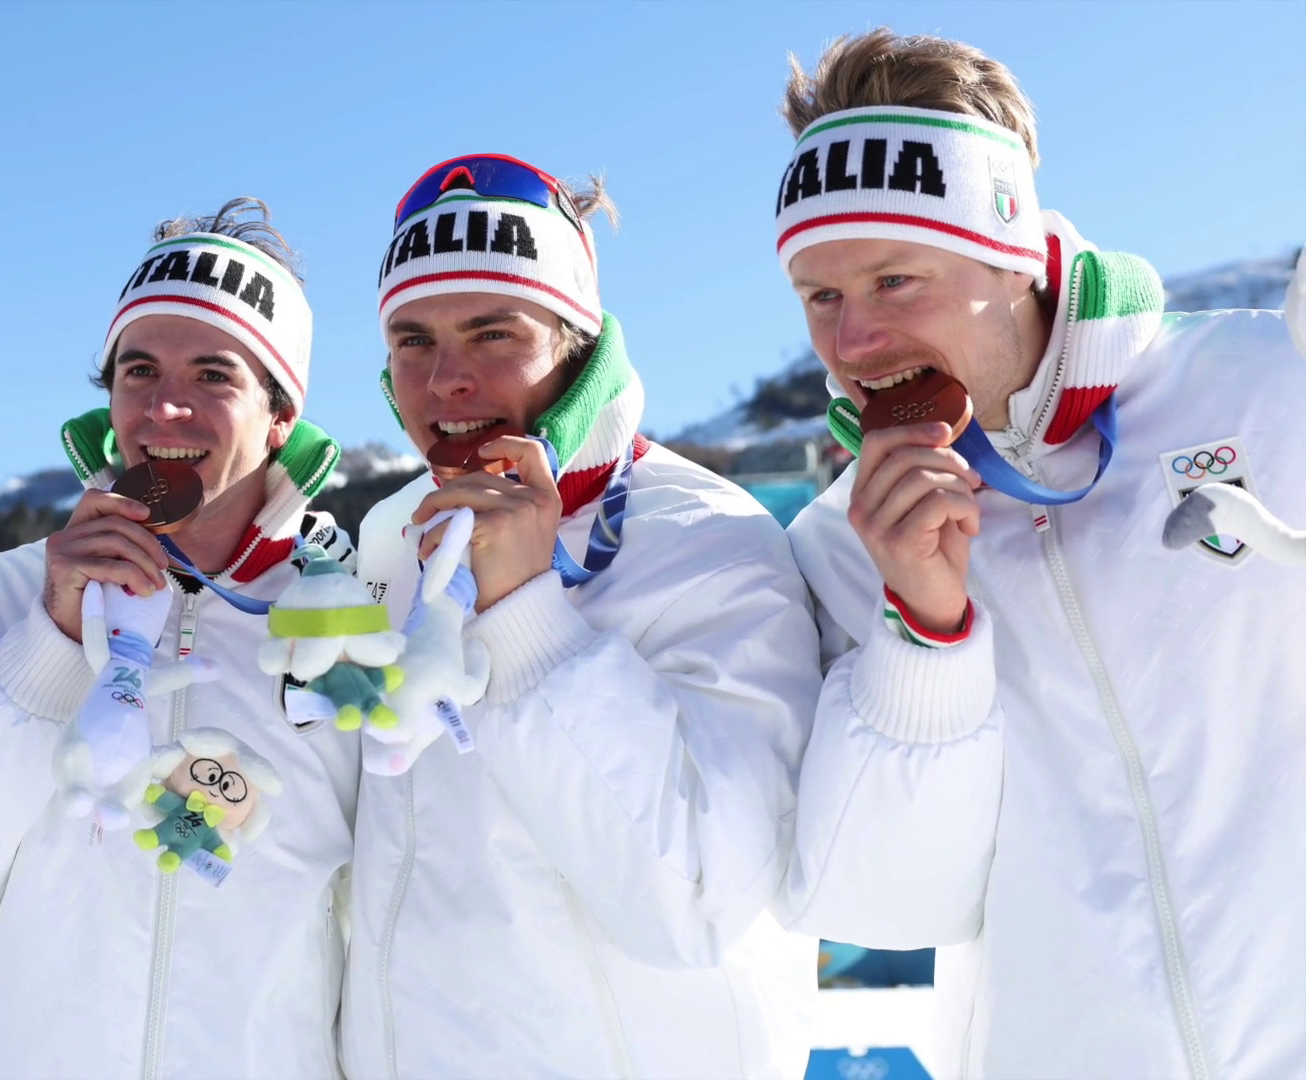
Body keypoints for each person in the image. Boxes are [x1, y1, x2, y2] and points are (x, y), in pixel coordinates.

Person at [772, 30, 1306, 1079]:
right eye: (821, 297)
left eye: (894, 280)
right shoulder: (838, 544)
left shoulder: (1269, 382)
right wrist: (925, 634)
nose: (853, 343)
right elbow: (887, 906)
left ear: (1009, 254)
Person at [0, 198, 362, 1077]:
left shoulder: (347, 630)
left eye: (213, 375)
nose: (165, 407)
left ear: (280, 414)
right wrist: (48, 643)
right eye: (138, 370)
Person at [342, 155, 823, 1078]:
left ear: (578, 344)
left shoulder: (710, 538)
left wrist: (528, 617)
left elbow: (696, 904)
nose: (445, 380)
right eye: (412, 340)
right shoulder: (393, 539)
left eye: (493, 334)